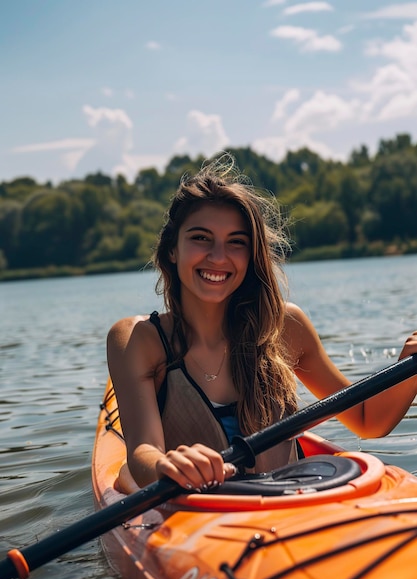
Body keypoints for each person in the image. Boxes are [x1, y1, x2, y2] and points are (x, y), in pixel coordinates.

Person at [107, 154, 417, 492]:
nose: (218, 257)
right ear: (171, 250)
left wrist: (410, 365)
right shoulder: (140, 339)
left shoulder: (287, 327)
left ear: (251, 254)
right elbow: (142, 454)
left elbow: (367, 420)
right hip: (197, 514)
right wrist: (164, 464)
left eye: (236, 242)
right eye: (200, 238)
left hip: (289, 503)